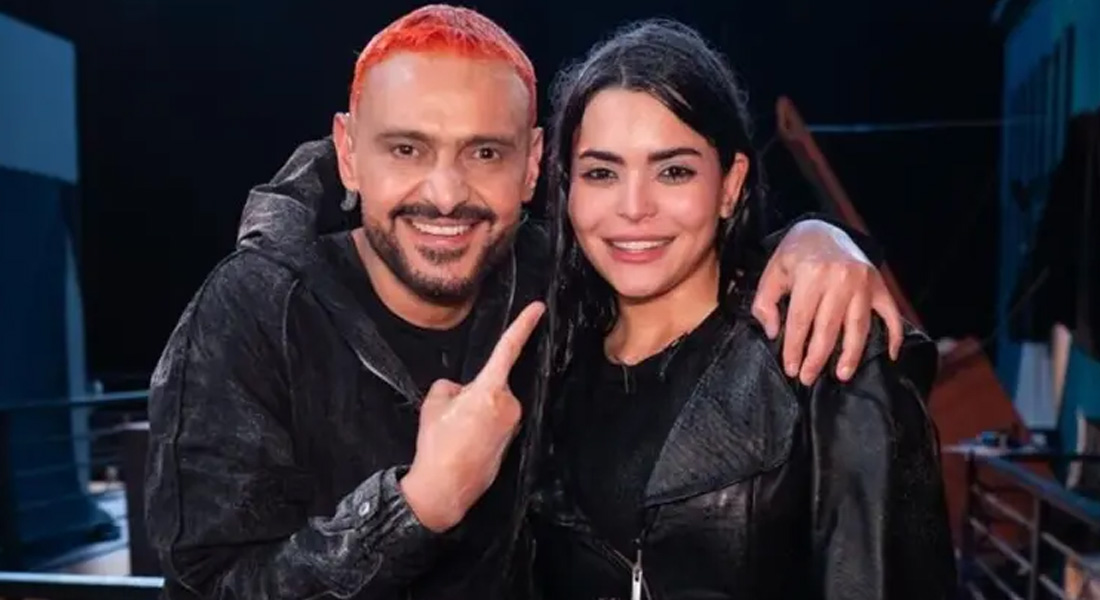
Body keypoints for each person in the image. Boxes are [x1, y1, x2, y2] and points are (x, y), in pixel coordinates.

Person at [144, 6, 907, 600]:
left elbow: (678, 255)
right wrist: (415, 507)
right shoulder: (251, 315)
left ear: (535, 164)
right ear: (347, 152)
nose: (447, 194)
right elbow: (205, 584)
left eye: (485, 152)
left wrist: (820, 240)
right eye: (407, 148)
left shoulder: (551, 283)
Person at [530, 19, 956, 600]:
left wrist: (822, 233)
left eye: (673, 171)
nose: (633, 207)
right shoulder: (543, 366)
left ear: (729, 186)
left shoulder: (825, 353)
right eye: (601, 173)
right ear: (567, 189)